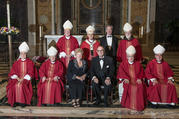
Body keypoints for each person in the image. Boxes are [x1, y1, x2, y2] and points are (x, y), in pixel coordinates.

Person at [117, 45, 146, 111]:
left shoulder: (138, 64)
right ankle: (128, 104)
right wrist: (125, 78)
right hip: (128, 80)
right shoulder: (123, 64)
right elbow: (121, 73)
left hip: (136, 80)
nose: (131, 58)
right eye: (129, 56)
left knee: (140, 86)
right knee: (128, 86)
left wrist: (139, 78)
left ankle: (139, 105)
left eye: (132, 56)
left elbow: (141, 73)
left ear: (134, 56)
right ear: (127, 56)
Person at [6, 42, 36, 107]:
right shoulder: (16, 63)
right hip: (17, 78)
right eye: (21, 53)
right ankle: (14, 101)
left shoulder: (30, 62)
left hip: (26, 79)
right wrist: (17, 78)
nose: (23, 55)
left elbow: (31, 72)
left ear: (26, 54)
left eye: (24, 53)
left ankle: (22, 102)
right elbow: (13, 72)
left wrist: (23, 78)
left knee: (22, 85)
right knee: (13, 85)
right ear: (20, 54)